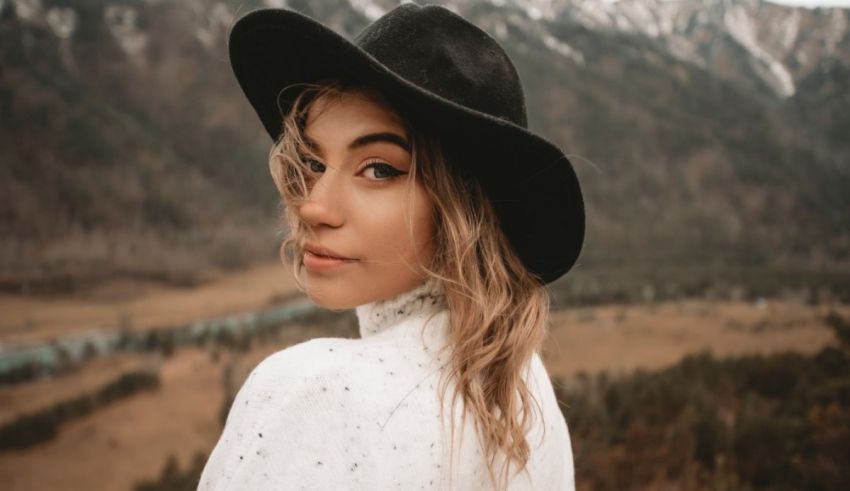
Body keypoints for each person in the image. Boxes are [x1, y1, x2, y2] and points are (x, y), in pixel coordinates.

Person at [198, 3, 585, 490]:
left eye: (379, 169)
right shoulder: (521, 385)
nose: (315, 206)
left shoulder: (312, 395)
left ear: (465, 211)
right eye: (313, 162)